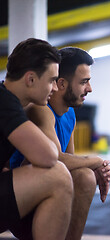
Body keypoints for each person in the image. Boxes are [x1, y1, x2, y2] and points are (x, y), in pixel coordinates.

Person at [10, 47, 110, 240]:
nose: (89, 89)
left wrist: (93, 165)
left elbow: (71, 161)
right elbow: (56, 159)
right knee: (77, 172)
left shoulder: (70, 114)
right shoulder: (40, 110)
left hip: (44, 189)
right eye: (84, 82)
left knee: (84, 176)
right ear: (62, 83)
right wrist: (96, 161)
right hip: (21, 201)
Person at [0, 38, 73, 239]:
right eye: (51, 80)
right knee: (57, 176)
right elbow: (49, 157)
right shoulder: (5, 101)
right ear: (31, 79)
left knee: (79, 177)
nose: (55, 88)